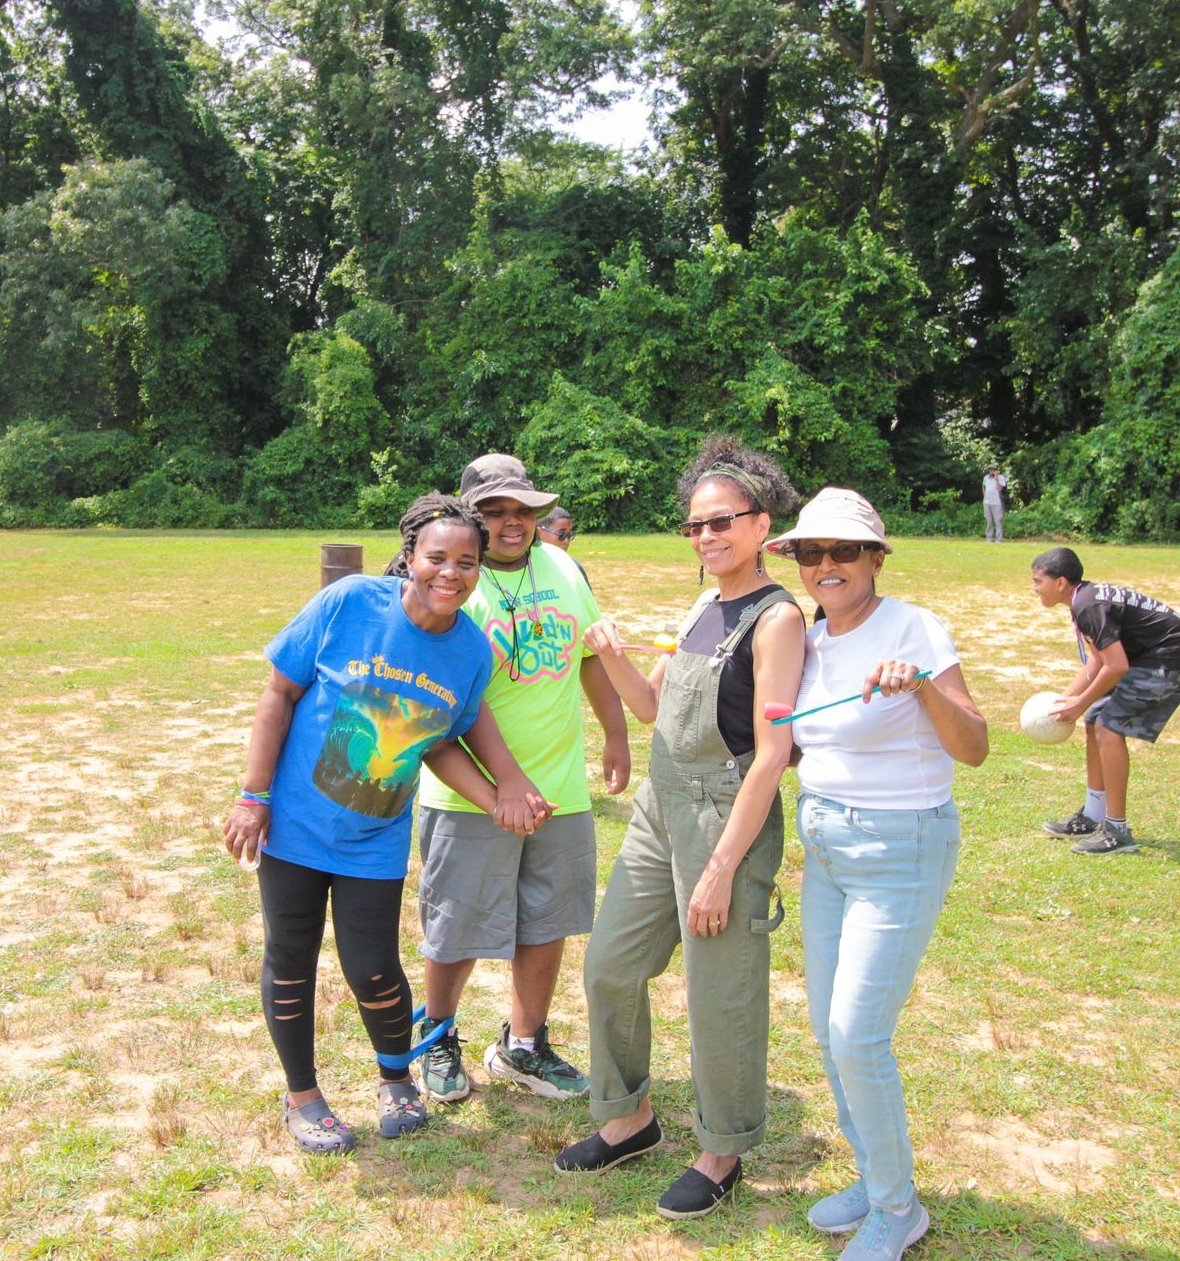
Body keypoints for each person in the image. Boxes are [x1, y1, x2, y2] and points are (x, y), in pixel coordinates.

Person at [222, 495, 547, 1155]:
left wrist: (498, 796)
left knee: (372, 967)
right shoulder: (349, 605)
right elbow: (278, 694)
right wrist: (252, 797)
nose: (449, 573)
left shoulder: (469, 652)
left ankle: (396, 1081)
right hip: (296, 826)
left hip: (374, 835)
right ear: (410, 558)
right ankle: (304, 1098)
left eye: (466, 561)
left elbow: (441, 742)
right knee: (290, 960)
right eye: (436, 558)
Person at [553, 440, 805, 1222]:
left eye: (721, 523)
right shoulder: (702, 605)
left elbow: (773, 755)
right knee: (610, 964)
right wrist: (607, 653)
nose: (706, 538)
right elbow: (651, 708)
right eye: (695, 527)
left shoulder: (778, 618)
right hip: (661, 810)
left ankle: (721, 1149)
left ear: (761, 524)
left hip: (725, 815)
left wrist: (724, 867)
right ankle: (628, 1119)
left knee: (719, 990)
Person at [767, 487, 988, 1260]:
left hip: (902, 846)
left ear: (875, 558)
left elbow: (975, 747)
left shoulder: (914, 627)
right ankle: (876, 1173)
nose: (826, 565)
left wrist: (922, 685)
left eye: (844, 551)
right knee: (829, 1033)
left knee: (858, 1035)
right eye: (811, 552)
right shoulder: (809, 637)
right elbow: (792, 742)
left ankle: (898, 1210)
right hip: (825, 843)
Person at [414, 454, 632, 1104]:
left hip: (559, 787)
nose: (513, 523)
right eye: (495, 512)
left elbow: (591, 655)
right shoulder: (455, 586)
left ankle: (525, 1045)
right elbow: (443, 702)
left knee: (547, 920)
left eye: (524, 511)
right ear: (470, 517)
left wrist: (616, 734)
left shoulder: (564, 567)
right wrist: (497, 787)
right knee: (455, 926)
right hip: (468, 793)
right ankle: (438, 1038)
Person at [1030, 547, 1180, 855]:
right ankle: (1093, 816)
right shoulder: (1083, 600)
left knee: (1109, 727)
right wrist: (1067, 701)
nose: (1034, 589)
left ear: (1060, 582)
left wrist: (1079, 703)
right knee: (1094, 719)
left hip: (1171, 656)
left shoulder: (1087, 605)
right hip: (1154, 654)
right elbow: (1096, 663)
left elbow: (1117, 666)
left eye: (1038, 581)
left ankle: (1117, 830)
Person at [982, 466, 1007, 543]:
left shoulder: (1001, 477)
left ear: (997, 470)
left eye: (993, 470)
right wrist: (985, 496)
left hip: (997, 502)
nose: (991, 471)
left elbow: (1000, 489)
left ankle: (999, 538)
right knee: (989, 520)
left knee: (998, 520)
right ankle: (989, 538)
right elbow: (983, 487)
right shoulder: (986, 477)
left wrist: (996, 479)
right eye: (990, 470)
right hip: (987, 502)